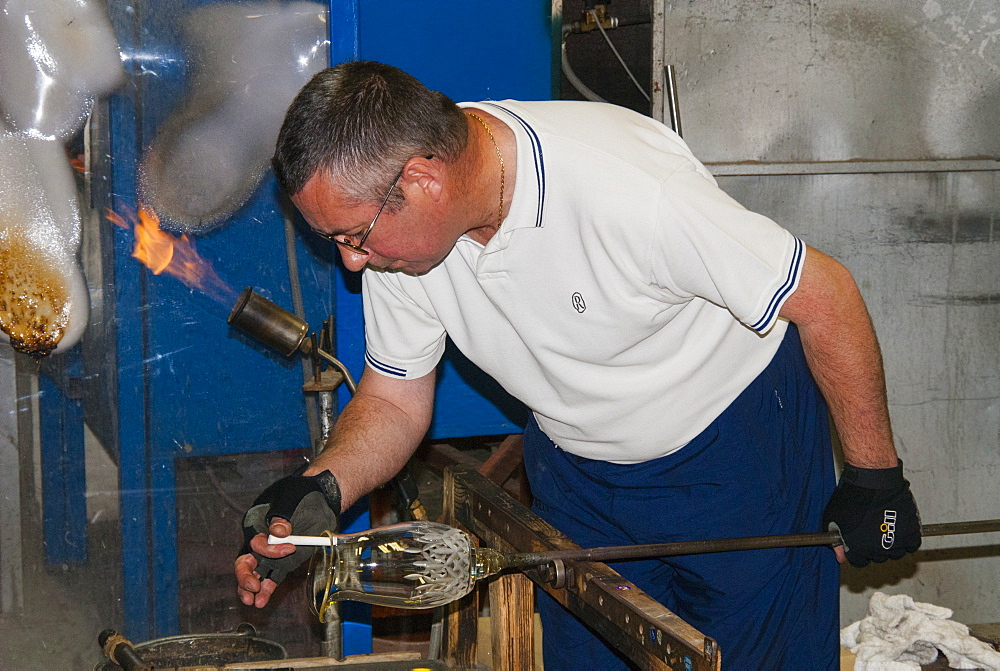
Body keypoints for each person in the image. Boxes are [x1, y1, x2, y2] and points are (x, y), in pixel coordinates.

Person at [235, 61, 921, 669]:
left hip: (735, 450)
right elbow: (392, 399)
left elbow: (826, 294)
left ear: (419, 178)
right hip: (579, 472)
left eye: (353, 236)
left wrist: (873, 474)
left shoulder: (626, 188)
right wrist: (321, 488)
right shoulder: (402, 242)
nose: (351, 260)